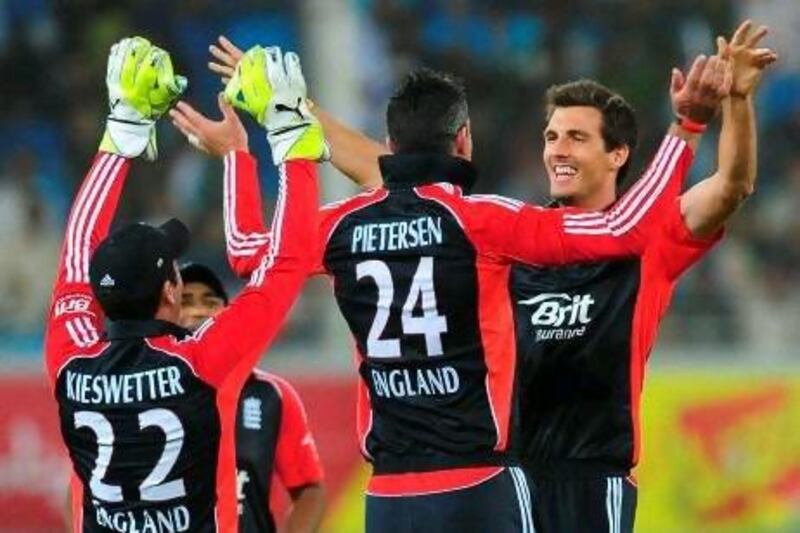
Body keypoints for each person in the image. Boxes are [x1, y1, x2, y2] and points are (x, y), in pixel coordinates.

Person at [205, 20, 777, 533]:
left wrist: (737, 106)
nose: (557, 149)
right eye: (551, 136)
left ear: (619, 154)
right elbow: (400, 184)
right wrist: (298, 110)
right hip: (504, 471)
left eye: (577, 137)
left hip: (590, 475)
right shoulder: (507, 233)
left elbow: (730, 188)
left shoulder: (643, 237)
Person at [44, 36, 323, 532]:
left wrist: (120, 135)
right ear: (170, 291)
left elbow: (75, 254)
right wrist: (289, 134)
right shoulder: (203, 363)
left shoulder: (70, 359)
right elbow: (285, 261)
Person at [179, 263, 326, 533]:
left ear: (227, 315)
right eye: (184, 301)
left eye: (210, 301)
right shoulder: (138, 386)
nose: (198, 310)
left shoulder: (272, 395)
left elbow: (309, 490)